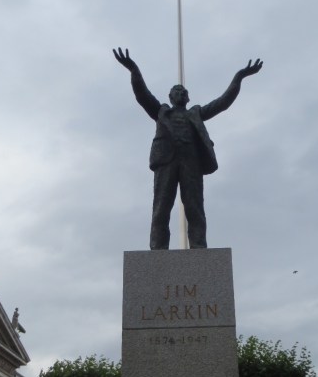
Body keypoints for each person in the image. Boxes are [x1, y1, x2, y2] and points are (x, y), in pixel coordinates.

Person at [113, 47, 263, 250]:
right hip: (166, 160)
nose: (181, 92)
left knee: (195, 208)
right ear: (170, 96)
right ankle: (157, 249)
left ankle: (199, 247)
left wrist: (239, 77)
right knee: (161, 209)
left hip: (191, 162)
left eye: (184, 91)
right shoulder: (161, 112)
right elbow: (142, 94)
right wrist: (133, 69)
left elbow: (223, 101)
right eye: (176, 91)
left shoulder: (196, 113)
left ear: (188, 98)